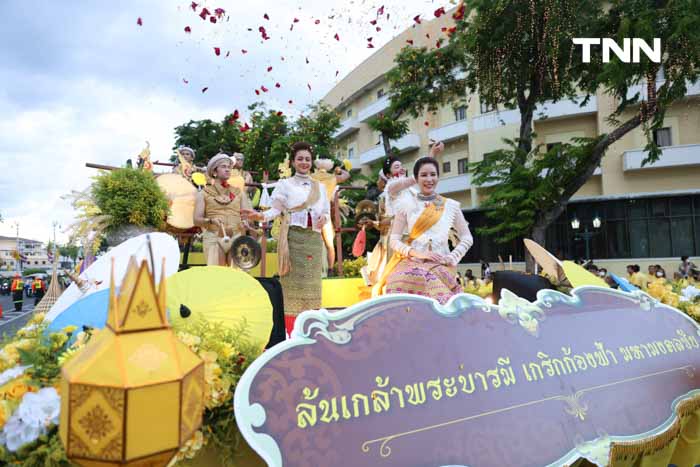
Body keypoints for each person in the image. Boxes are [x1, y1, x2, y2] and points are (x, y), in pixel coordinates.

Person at [242, 142, 330, 335]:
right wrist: (261, 216)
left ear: (312, 162)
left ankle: (312, 331)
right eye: (300, 159)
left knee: (313, 287)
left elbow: (326, 212)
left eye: (307, 159)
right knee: (292, 289)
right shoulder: (285, 184)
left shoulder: (320, 187)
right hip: (292, 240)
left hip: (314, 242)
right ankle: (292, 333)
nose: (304, 162)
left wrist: (324, 218)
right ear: (293, 162)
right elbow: (276, 210)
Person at [373, 156, 473, 304]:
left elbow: (467, 238)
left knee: (433, 286)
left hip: (441, 264)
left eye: (433, 174)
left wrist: (452, 257)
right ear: (416, 178)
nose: (429, 179)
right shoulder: (405, 204)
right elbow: (394, 240)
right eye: (424, 175)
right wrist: (417, 253)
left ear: (438, 177)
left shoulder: (450, 206)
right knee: (395, 284)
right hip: (412, 262)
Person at [193, 153, 250, 266]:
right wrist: (210, 221)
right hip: (213, 237)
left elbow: (246, 216)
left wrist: (246, 222)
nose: (228, 169)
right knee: (217, 277)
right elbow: (196, 220)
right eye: (223, 167)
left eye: (229, 167)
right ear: (214, 171)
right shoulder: (203, 193)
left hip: (236, 237)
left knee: (235, 277)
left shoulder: (239, 193)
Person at [311, 158, 351, 275]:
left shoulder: (310, 177)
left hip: (312, 213)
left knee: (312, 242)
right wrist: (339, 170)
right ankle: (330, 269)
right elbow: (347, 175)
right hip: (325, 212)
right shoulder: (332, 178)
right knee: (329, 244)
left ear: (317, 167)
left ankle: (314, 269)